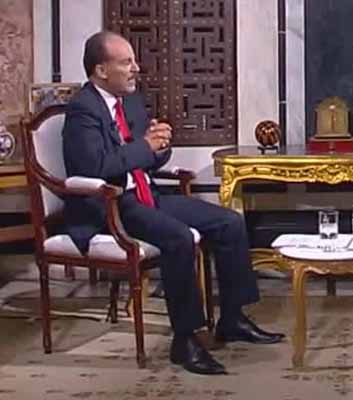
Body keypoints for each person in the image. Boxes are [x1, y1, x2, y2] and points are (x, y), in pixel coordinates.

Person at [62, 31, 284, 375]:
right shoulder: (82, 110)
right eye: (126, 62)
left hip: (145, 194)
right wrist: (145, 147)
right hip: (110, 205)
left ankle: (232, 318)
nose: (136, 68)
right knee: (178, 237)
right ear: (101, 70)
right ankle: (185, 340)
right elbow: (95, 168)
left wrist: (160, 146)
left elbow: (147, 158)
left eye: (134, 61)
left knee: (229, 223)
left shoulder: (130, 101)